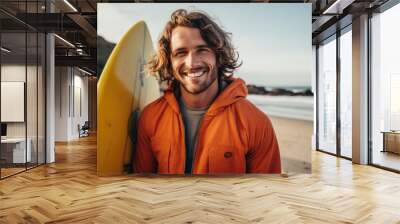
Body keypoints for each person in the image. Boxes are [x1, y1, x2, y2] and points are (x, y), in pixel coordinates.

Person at [133, 9, 281, 174]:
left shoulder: (256, 123)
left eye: (202, 50)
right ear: (169, 62)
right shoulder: (150, 118)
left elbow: (266, 192)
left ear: (218, 56)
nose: (191, 63)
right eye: (181, 53)